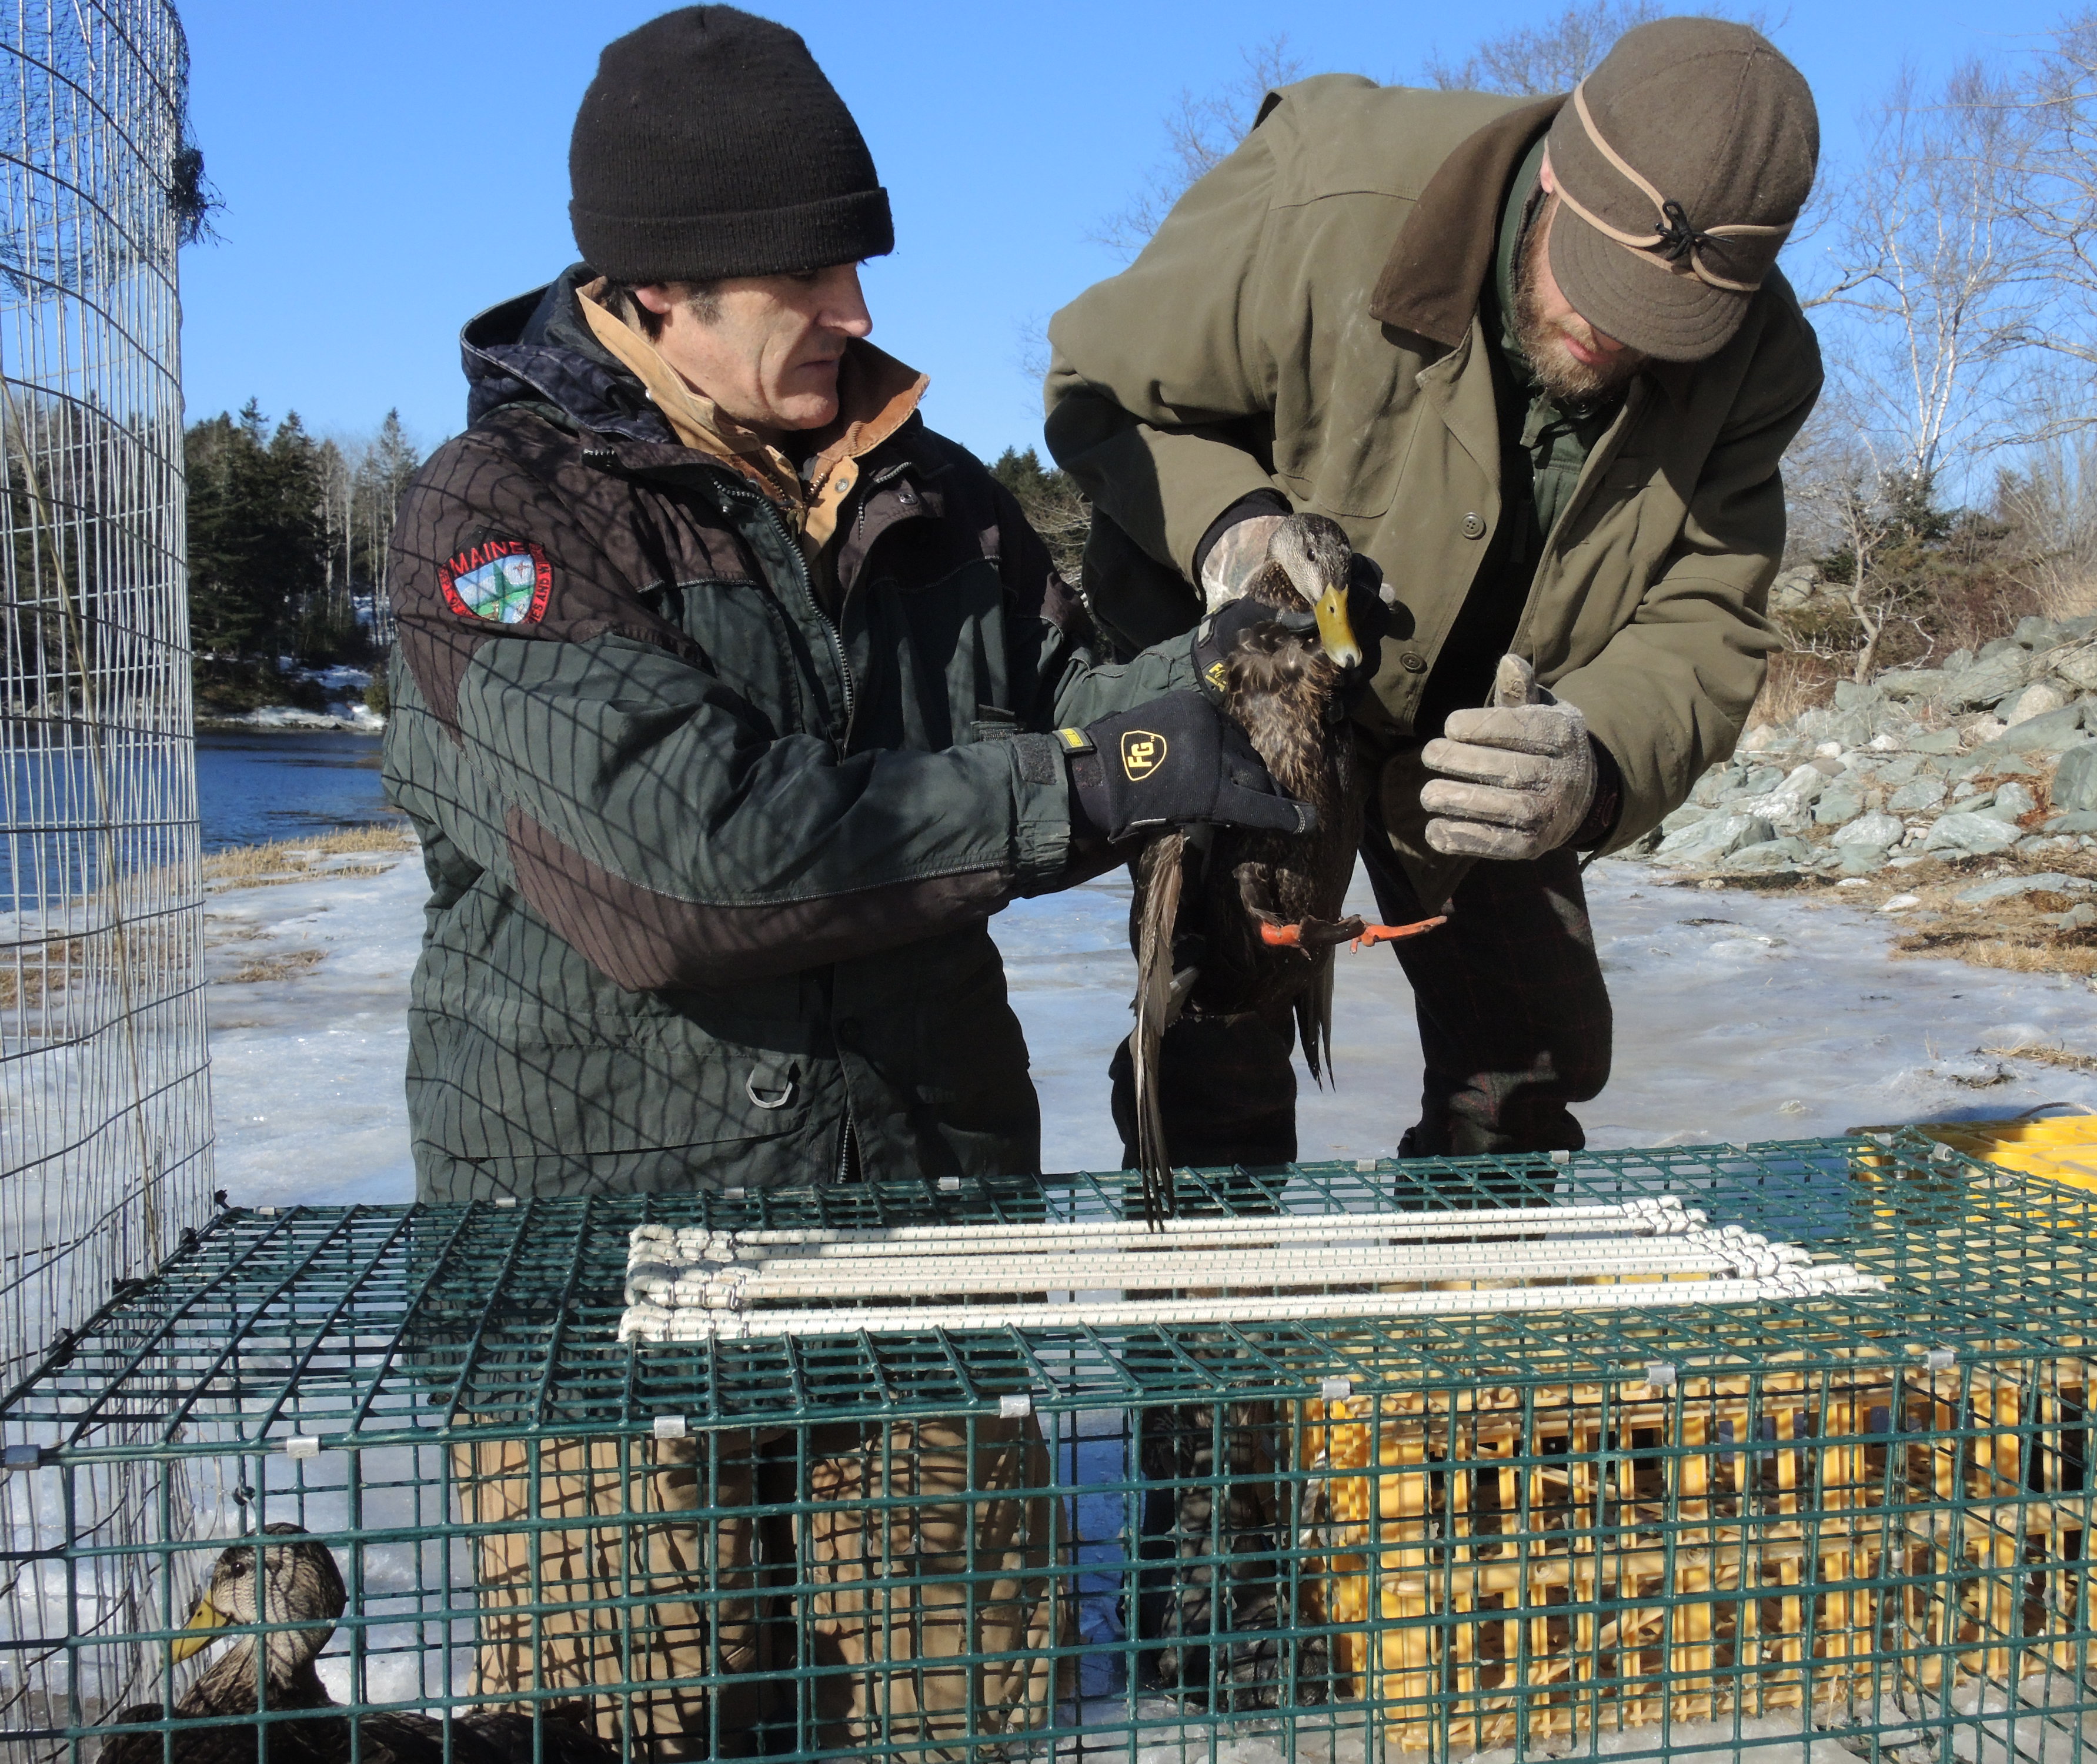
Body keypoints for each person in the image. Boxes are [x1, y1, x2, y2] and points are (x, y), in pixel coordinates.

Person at [378, 10, 1318, 1758]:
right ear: (663, 285)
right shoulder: (491, 523)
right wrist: (1104, 779)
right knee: (636, 1726)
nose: (862, 314)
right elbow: (690, 873)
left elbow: (1063, 708)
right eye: (812, 273)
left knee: (958, 1713)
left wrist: (1223, 672)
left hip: (915, 1254)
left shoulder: (937, 500)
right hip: (601, 1312)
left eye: (861, 263)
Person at [1044, 16, 1825, 1167]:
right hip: (1253, 684)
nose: (1610, 336)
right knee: (1218, 1033)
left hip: (1485, 722)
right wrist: (1231, 525)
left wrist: (1594, 760)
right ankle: (1216, 1349)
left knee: (1530, 1061)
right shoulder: (1325, 189)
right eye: (1595, 285)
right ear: (1554, 172)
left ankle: (1464, 1311)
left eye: (1663, 326)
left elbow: (1702, 612)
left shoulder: (1759, 363)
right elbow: (1100, 388)